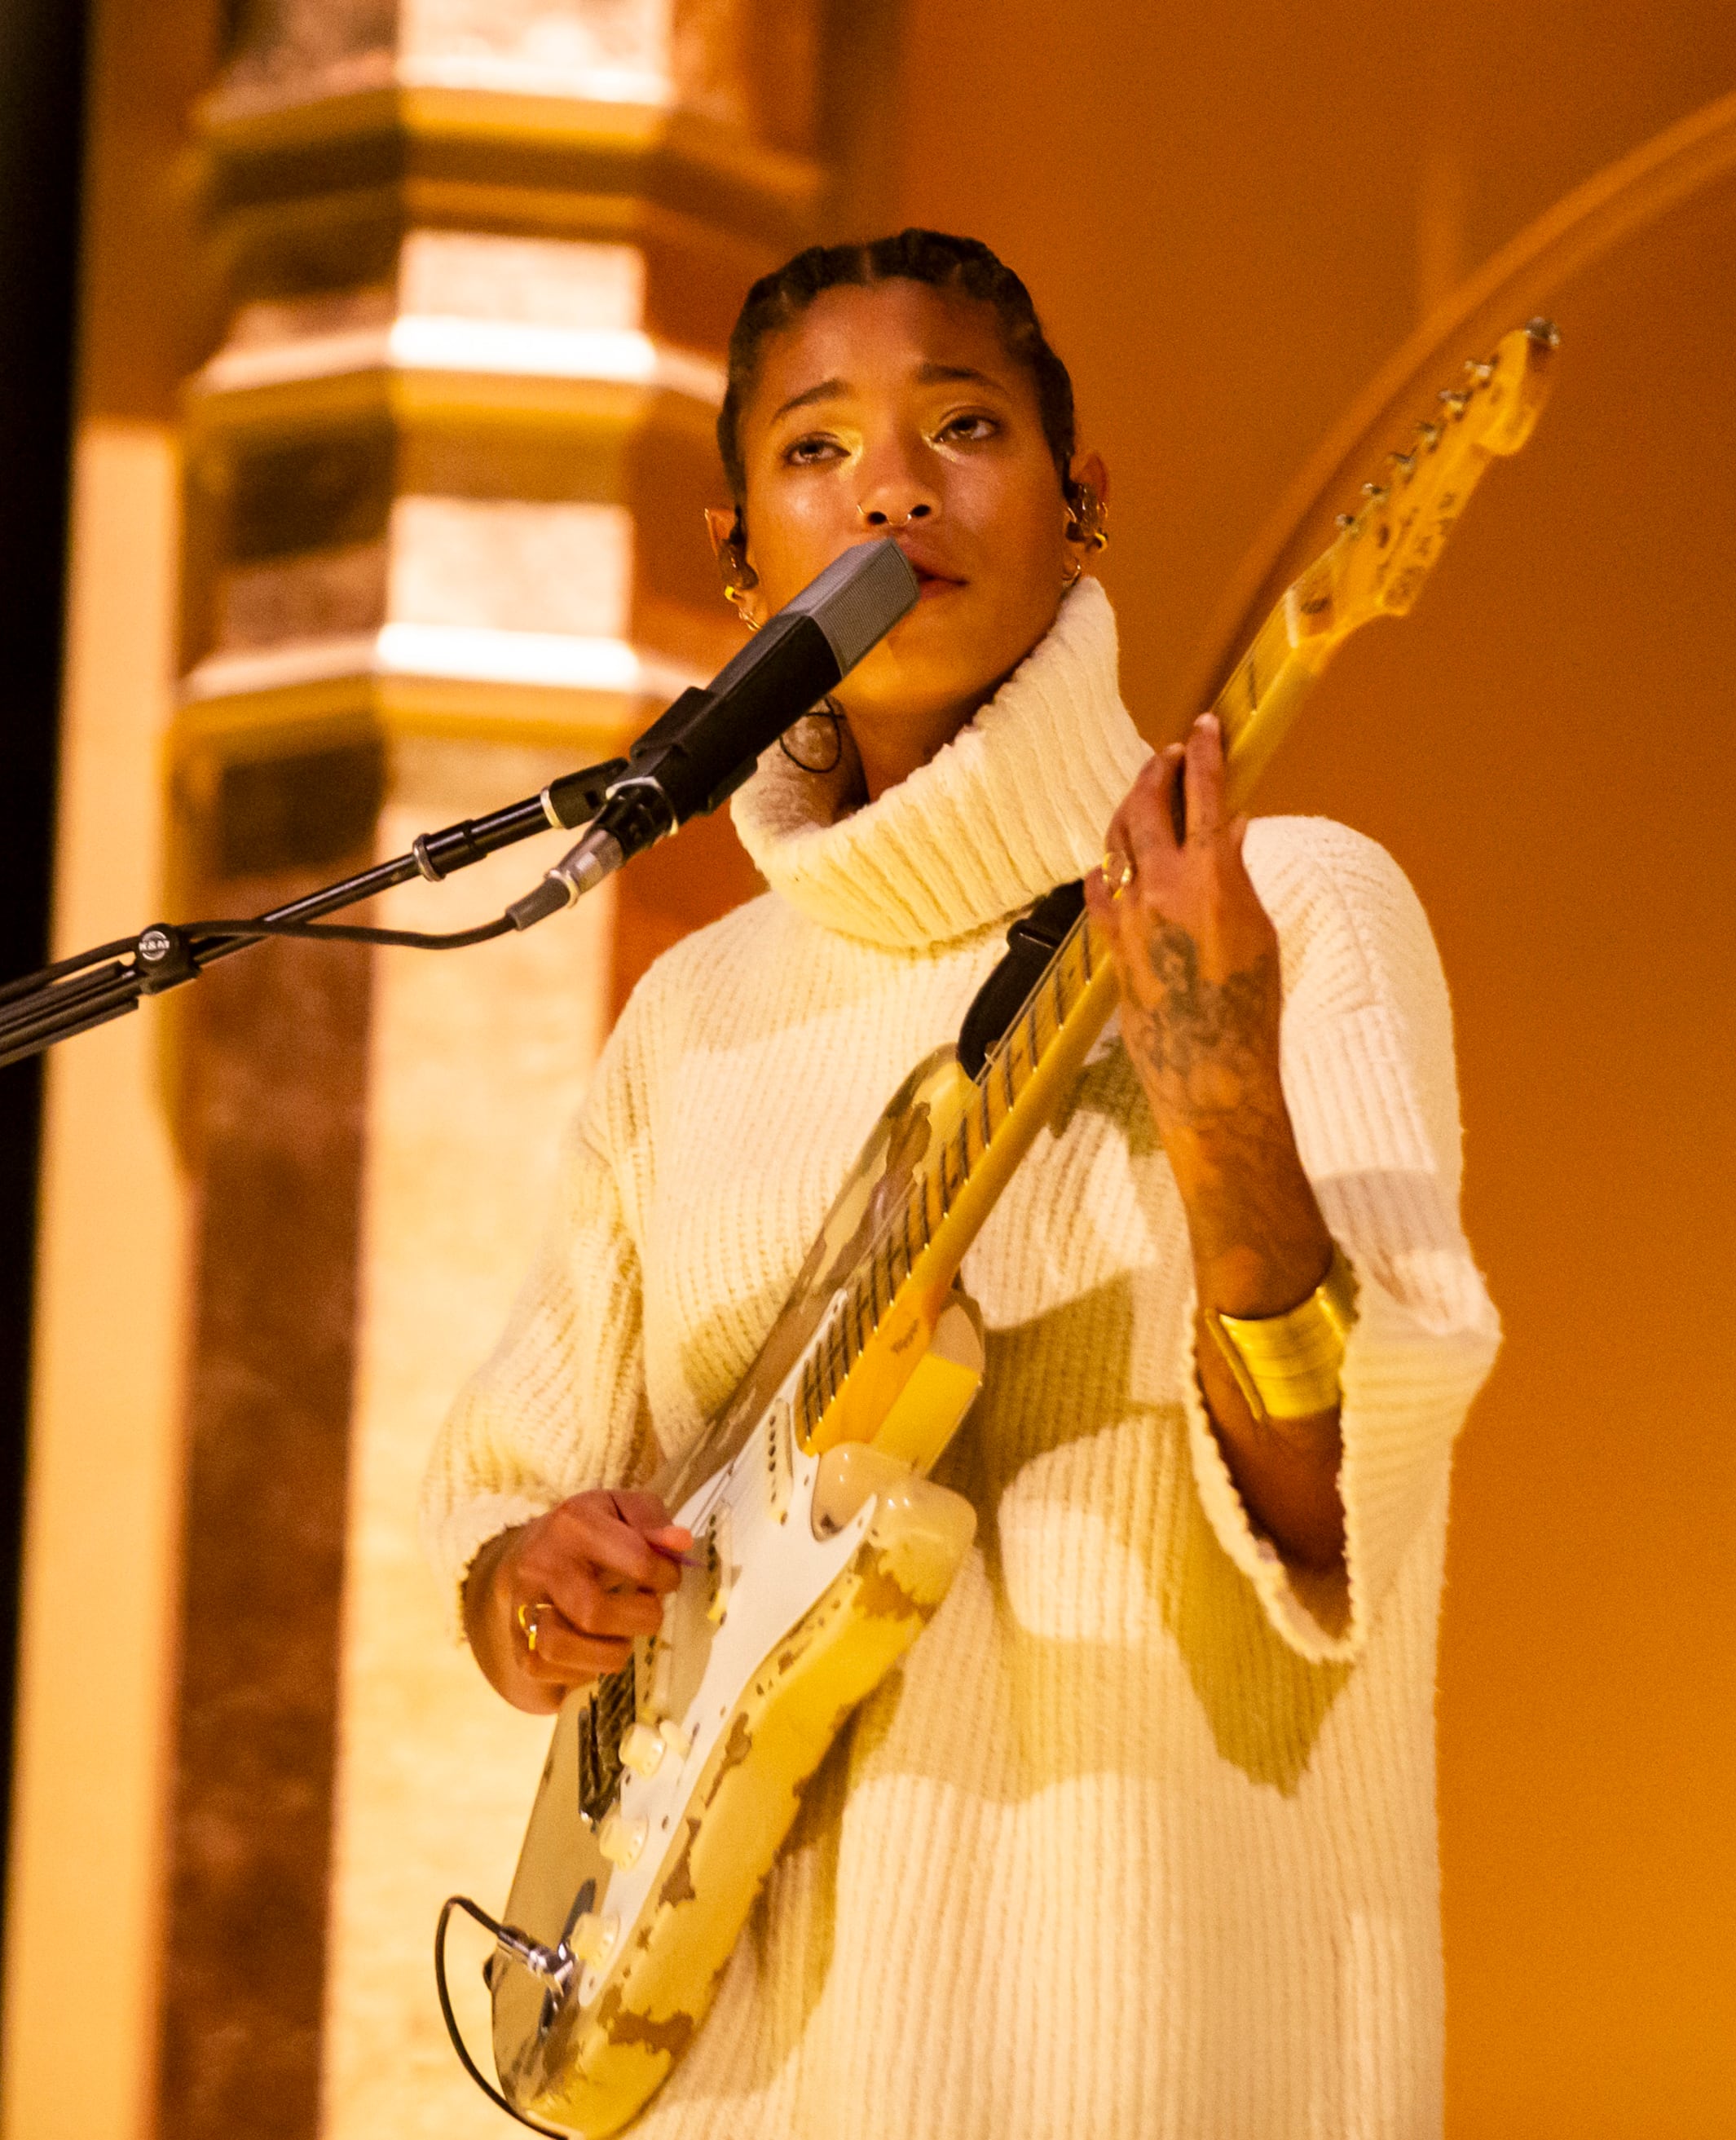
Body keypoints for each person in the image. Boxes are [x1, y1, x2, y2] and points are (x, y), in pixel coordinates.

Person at [419, 228, 1502, 2137]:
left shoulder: (1288, 903)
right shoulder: (693, 1017)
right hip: (739, 2076)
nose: (897, 485)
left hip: (1150, 2035)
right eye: (819, 448)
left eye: (965, 425)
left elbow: (1349, 1494)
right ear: (738, 548)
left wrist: (1218, 1083)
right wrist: (537, 1590)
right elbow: (507, 1511)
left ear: (1081, 502)